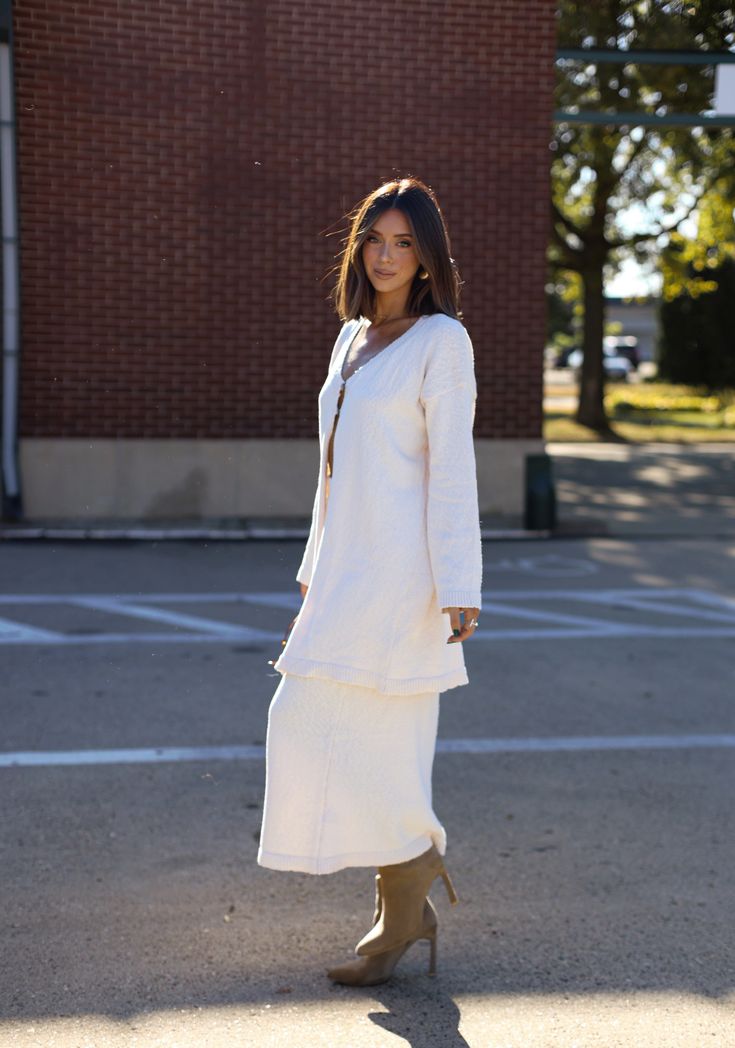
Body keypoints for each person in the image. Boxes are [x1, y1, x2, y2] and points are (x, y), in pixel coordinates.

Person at [257, 175, 482, 986]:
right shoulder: (350, 338)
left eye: (404, 243)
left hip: (404, 575)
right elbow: (329, 475)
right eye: (375, 239)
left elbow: (452, 470)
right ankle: (410, 873)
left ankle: (401, 900)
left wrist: (460, 584)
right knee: (303, 717)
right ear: (358, 246)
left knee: (384, 734)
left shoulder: (440, 342)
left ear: (426, 258)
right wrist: (314, 577)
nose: (386, 256)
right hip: (346, 570)